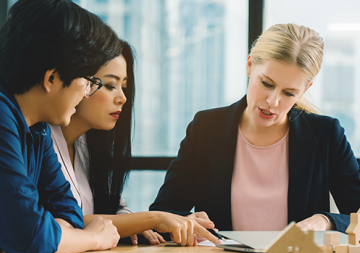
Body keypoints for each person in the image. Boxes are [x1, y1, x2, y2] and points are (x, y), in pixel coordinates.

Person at [150, 23, 360, 234]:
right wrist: (185, 221)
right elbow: (163, 212)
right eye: (267, 84)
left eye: (289, 93)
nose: (273, 102)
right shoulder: (205, 128)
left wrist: (326, 220)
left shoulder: (326, 134)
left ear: (305, 90)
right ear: (250, 65)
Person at [50, 38, 220, 246]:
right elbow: (58, 223)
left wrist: (163, 223)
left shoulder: (86, 146)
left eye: (124, 87)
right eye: (110, 85)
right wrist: (151, 219)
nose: (123, 98)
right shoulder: (39, 142)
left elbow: (116, 208)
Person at [0, 0, 126, 253]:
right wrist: (93, 238)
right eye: (88, 81)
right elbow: (30, 236)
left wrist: (52, 234)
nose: (86, 93)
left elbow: (68, 210)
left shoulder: (39, 129)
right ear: (52, 79)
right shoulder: (3, 117)